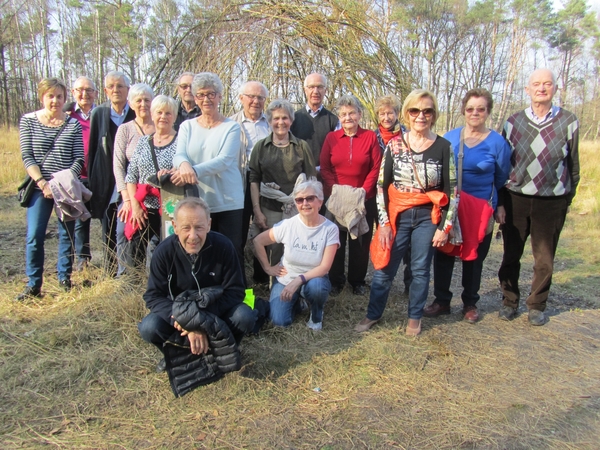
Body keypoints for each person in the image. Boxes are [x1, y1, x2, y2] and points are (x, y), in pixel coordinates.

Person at [355, 90, 452, 336]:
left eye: (427, 111)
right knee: (384, 267)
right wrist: (384, 223)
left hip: (427, 217)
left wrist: (444, 228)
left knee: (420, 269)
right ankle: (373, 314)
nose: (421, 116)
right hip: (396, 215)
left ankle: (414, 317)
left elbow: (454, 191)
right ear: (407, 114)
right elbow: (380, 187)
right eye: (415, 111)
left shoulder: (443, 146)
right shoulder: (394, 145)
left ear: (433, 115)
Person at [498, 69, 580, 326]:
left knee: (544, 258)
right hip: (516, 198)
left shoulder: (569, 121)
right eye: (536, 84)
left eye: (547, 84)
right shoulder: (513, 122)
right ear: (528, 90)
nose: (541, 89)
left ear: (555, 88)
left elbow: (573, 165)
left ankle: (536, 304)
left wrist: (567, 199)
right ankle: (509, 300)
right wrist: (500, 200)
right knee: (511, 253)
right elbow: (502, 165)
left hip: (551, 201)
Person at [424, 89, 511, 323]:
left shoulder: (497, 143)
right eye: (471, 108)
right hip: (451, 205)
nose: (475, 113)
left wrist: (497, 203)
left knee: (474, 256)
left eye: (480, 109)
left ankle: (470, 302)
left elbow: (502, 177)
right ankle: (442, 300)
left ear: (488, 112)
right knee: (444, 252)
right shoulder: (450, 138)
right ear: (464, 110)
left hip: (480, 208)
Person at [138, 196, 255, 370]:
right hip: (178, 315)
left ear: (208, 224)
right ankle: (174, 354)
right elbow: (153, 296)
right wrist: (185, 321)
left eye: (199, 227)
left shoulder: (224, 246)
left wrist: (201, 322)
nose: (193, 236)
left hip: (215, 311)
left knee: (245, 316)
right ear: (175, 227)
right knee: (148, 326)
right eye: (186, 228)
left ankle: (227, 349)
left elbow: (236, 291)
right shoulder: (163, 252)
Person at [17, 78, 84, 300]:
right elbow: (28, 157)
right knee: (35, 235)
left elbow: (78, 159)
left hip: (65, 188)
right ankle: (34, 283)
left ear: (65, 99)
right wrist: (43, 184)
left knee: (67, 234)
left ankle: (65, 277)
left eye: (59, 96)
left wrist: (59, 184)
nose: (55, 100)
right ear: (42, 97)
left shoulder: (72, 124)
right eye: (50, 96)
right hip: (40, 189)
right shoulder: (28, 121)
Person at [172, 72, 245, 267]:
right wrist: (184, 165)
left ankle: (242, 296)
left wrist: (192, 171)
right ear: (195, 98)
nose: (206, 99)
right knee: (204, 252)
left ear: (220, 96)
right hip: (199, 200)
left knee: (231, 250)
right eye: (201, 95)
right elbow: (179, 155)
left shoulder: (232, 127)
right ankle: (208, 295)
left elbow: (224, 160)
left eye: (211, 94)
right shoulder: (187, 126)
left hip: (228, 201)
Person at [254, 179, 339, 330]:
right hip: (286, 278)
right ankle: (300, 303)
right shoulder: (288, 225)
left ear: (320, 201)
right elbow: (258, 241)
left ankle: (316, 313)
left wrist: (298, 281)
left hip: (314, 279)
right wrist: (268, 268)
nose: (304, 203)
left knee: (317, 288)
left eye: (310, 198)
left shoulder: (330, 229)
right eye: (299, 200)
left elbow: (325, 267)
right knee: (279, 322)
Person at [320, 95, 381, 296]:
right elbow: (325, 167)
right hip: (336, 198)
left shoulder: (370, 137)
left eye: (352, 113)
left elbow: (375, 167)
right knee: (336, 241)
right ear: (339, 116)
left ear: (359, 115)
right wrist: (335, 191)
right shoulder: (332, 138)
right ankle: (336, 281)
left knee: (360, 242)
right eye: (344, 114)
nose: (348, 117)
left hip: (363, 199)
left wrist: (362, 192)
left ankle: (357, 281)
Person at [249, 99, 317, 270]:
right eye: (276, 118)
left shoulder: (302, 147)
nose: (281, 122)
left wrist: (309, 209)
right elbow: (254, 179)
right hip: (269, 207)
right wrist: (257, 211)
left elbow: (311, 180)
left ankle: (294, 283)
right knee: (272, 246)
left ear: (291, 120)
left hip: (296, 207)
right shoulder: (260, 147)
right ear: (270, 121)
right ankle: (273, 282)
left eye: (285, 118)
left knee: (296, 245)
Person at [87, 71, 136, 275]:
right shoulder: (99, 113)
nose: (116, 90)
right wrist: (93, 180)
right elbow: (93, 149)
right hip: (106, 176)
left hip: (130, 176)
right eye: (111, 86)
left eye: (120, 86)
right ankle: (110, 267)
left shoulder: (134, 112)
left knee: (127, 223)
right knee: (108, 221)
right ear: (106, 91)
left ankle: (130, 266)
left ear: (127, 90)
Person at [124, 95, 178, 269]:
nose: (163, 117)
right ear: (152, 115)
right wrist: (136, 206)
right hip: (145, 205)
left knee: (168, 249)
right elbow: (131, 176)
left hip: (170, 205)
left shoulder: (181, 141)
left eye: (168, 113)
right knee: (136, 248)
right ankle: (135, 284)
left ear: (175, 117)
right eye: (159, 112)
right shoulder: (143, 142)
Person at [229, 81, 271, 285]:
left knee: (265, 228)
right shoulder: (230, 124)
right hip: (238, 182)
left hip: (266, 184)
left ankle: (262, 277)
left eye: (260, 97)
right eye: (251, 96)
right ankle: (240, 283)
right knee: (238, 233)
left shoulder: (272, 123)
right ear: (241, 98)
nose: (256, 101)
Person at [113, 83, 155, 275]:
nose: (143, 104)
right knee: (123, 231)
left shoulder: (162, 126)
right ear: (130, 104)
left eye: (147, 100)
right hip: (131, 192)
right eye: (138, 100)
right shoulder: (125, 129)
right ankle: (127, 275)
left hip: (158, 193)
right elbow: (118, 165)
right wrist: (128, 201)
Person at [374, 94, 411, 294]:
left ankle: (409, 281)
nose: (386, 117)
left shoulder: (407, 136)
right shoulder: (373, 137)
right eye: (382, 113)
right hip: (379, 194)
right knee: (381, 236)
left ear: (398, 114)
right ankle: (381, 279)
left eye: (390, 112)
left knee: (406, 240)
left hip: (401, 195)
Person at [64, 76, 98, 271]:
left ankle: (112, 257)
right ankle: (82, 261)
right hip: (76, 175)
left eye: (89, 90)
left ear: (95, 93)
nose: (84, 94)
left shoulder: (101, 113)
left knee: (105, 217)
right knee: (80, 218)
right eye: (80, 90)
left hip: (98, 174)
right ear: (74, 92)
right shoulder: (67, 115)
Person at [290, 73, 338, 165]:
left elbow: (338, 152)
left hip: (325, 176)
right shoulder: (293, 119)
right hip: (300, 175)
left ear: (325, 91)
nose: (316, 91)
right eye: (311, 87)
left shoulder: (334, 121)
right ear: (305, 90)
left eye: (320, 87)